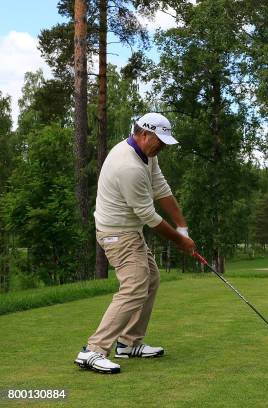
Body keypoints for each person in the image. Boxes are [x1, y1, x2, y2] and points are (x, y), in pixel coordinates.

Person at [74, 112, 196, 374]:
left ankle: (129, 343)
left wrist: (183, 228)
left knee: (150, 279)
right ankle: (93, 350)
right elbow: (150, 217)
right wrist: (180, 242)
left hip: (130, 230)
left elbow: (161, 189)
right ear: (143, 134)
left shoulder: (147, 156)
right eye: (159, 140)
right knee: (135, 286)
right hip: (117, 234)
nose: (162, 146)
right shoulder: (128, 166)